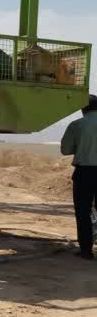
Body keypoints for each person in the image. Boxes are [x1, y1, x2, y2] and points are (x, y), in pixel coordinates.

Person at [61, 94, 97, 260]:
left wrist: (82, 146)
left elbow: (65, 150)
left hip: (85, 173)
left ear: (83, 109)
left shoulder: (76, 125)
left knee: (83, 211)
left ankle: (86, 251)